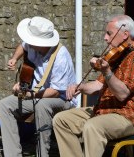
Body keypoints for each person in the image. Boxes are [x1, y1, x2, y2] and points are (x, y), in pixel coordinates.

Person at [52, 15, 134, 157]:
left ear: (125, 34)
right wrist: (81, 87)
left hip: (125, 116)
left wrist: (107, 71)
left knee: (93, 126)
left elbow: (122, 94)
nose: (105, 38)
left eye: (109, 33)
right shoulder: (116, 56)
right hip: (102, 110)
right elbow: (97, 85)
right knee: (61, 120)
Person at [0, 16, 77, 157]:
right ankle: (13, 154)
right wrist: (15, 59)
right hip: (37, 95)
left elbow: (55, 92)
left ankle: (42, 153)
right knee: (4, 105)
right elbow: (22, 46)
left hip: (63, 99)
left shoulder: (61, 56)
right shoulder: (32, 45)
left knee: (42, 106)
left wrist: (30, 94)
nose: (27, 41)